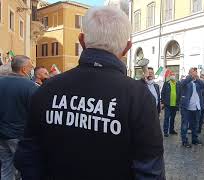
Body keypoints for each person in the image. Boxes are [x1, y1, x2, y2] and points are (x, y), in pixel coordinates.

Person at [14, 7, 165, 180]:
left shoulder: (48, 88)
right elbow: (150, 169)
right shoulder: (139, 96)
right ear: (127, 48)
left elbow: (28, 154)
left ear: (82, 41)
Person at [0, 56, 38, 180]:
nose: (31, 69)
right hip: (19, 135)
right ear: (23, 69)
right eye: (30, 67)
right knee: (24, 168)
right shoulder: (32, 87)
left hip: (2, 134)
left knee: (6, 167)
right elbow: (35, 114)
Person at [180, 67, 204, 148]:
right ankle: (184, 141)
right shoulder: (185, 80)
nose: (195, 73)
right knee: (185, 125)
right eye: (193, 72)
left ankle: (195, 139)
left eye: (195, 72)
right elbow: (182, 84)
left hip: (197, 107)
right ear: (189, 73)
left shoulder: (197, 82)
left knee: (196, 124)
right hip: (186, 107)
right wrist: (191, 76)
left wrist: (197, 78)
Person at [161, 72, 181, 137]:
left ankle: (171, 130)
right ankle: (165, 131)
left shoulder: (178, 83)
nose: (173, 76)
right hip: (167, 104)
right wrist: (163, 102)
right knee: (166, 118)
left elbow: (180, 93)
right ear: (169, 76)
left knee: (173, 118)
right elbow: (163, 93)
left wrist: (179, 103)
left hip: (175, 104)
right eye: (171, 75)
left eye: (173, 75)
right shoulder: (166, 83)